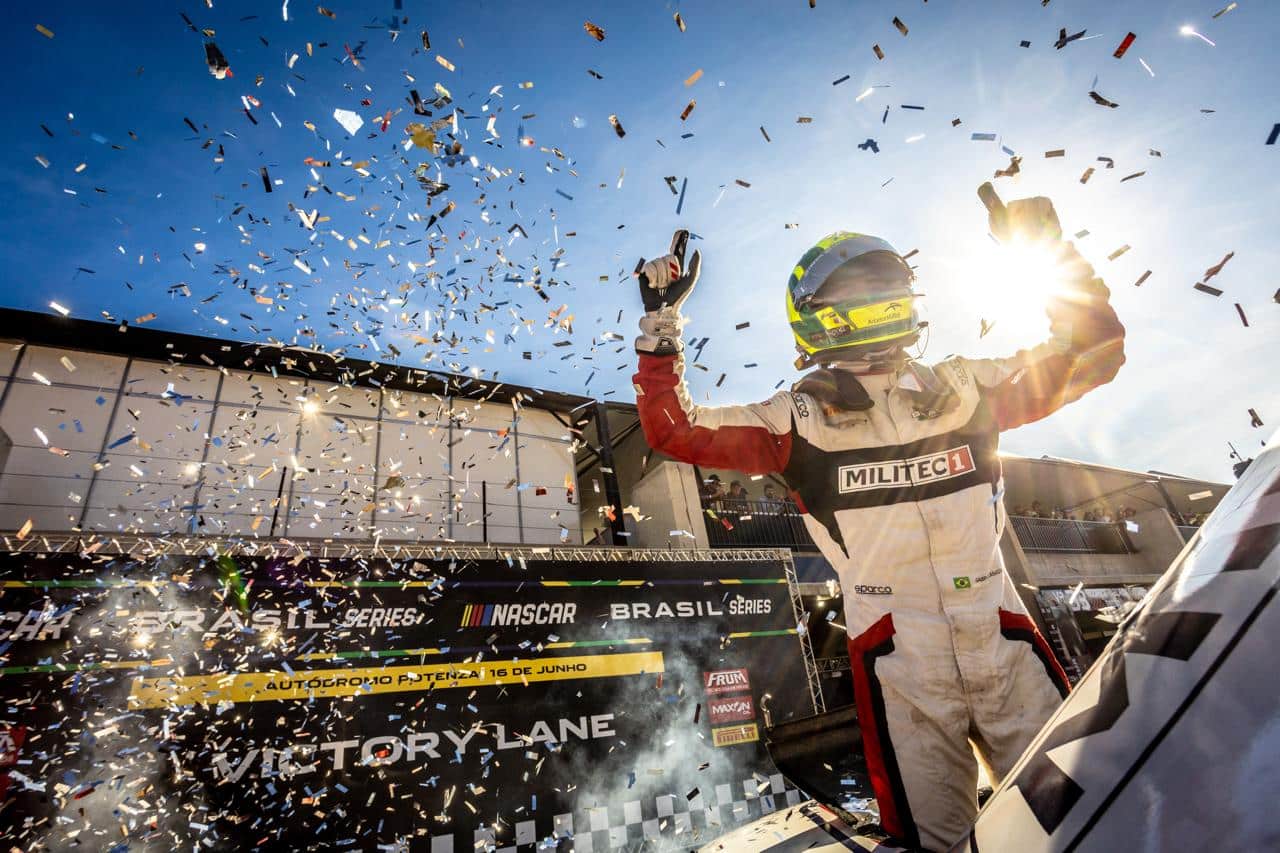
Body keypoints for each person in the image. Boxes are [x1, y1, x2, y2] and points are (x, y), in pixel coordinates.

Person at [631, 186, 1125, 851]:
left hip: (1002, 638)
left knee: (1086, 818)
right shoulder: (795, 418)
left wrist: (1049, 254)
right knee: (935, 841)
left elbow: (1096, 352)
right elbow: (674, 430)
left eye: (886, 294)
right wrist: (662, 323)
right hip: (900, 663)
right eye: (859, 298)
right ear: (818, 318)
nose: (875, 309)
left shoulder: (967, 386)